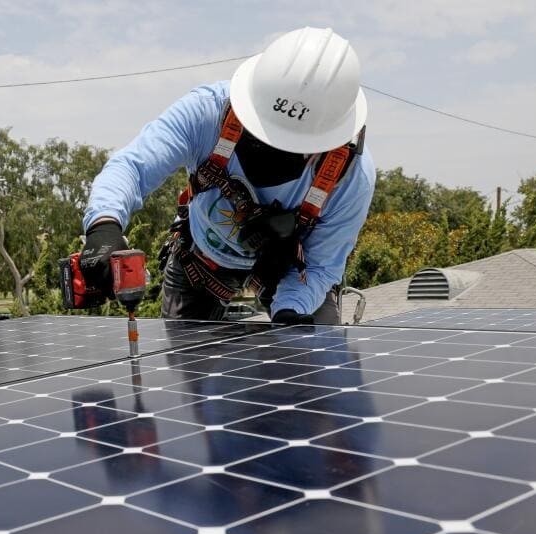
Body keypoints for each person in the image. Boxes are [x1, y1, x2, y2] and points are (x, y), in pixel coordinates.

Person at [77, 27, 375, 325]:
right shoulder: (207, 113)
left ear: (327, 141)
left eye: (291, 146)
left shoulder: (349, 177)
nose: (273, 150)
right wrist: (104, 225)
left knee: (315, 359)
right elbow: (132, 166)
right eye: (263, 134)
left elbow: (322, 267)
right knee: (184, 365)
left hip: (292, 272)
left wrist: (291, 310)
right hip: (200, 264)